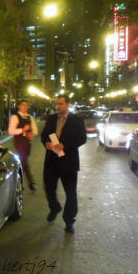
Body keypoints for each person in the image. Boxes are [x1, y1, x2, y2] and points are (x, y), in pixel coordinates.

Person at [40, 94, 87, 233]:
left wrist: (65, 145)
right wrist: (47, 143)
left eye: (61, 103)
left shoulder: (77, 120)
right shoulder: (52, 118)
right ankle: (54, 207)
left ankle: (69, 221)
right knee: (49, 188)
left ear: (68, 104)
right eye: (57, 104)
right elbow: (44, 135)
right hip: (51, 160)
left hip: (69, 162)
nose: (58, 106)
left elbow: (82, 138)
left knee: (70, 193)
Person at [8, 99, 39, 191]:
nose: (25, 107)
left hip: (28, 143)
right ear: (19, 106)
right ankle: (31, 183)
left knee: (22, 163)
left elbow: (35, 130)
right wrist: (22, 130)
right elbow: (11, 131)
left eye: (26, 105)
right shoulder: (15, 117)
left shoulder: (30, 117)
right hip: (19, 142)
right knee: (25, 161)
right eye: (23, 105)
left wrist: (32, 134)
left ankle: (15, 182)